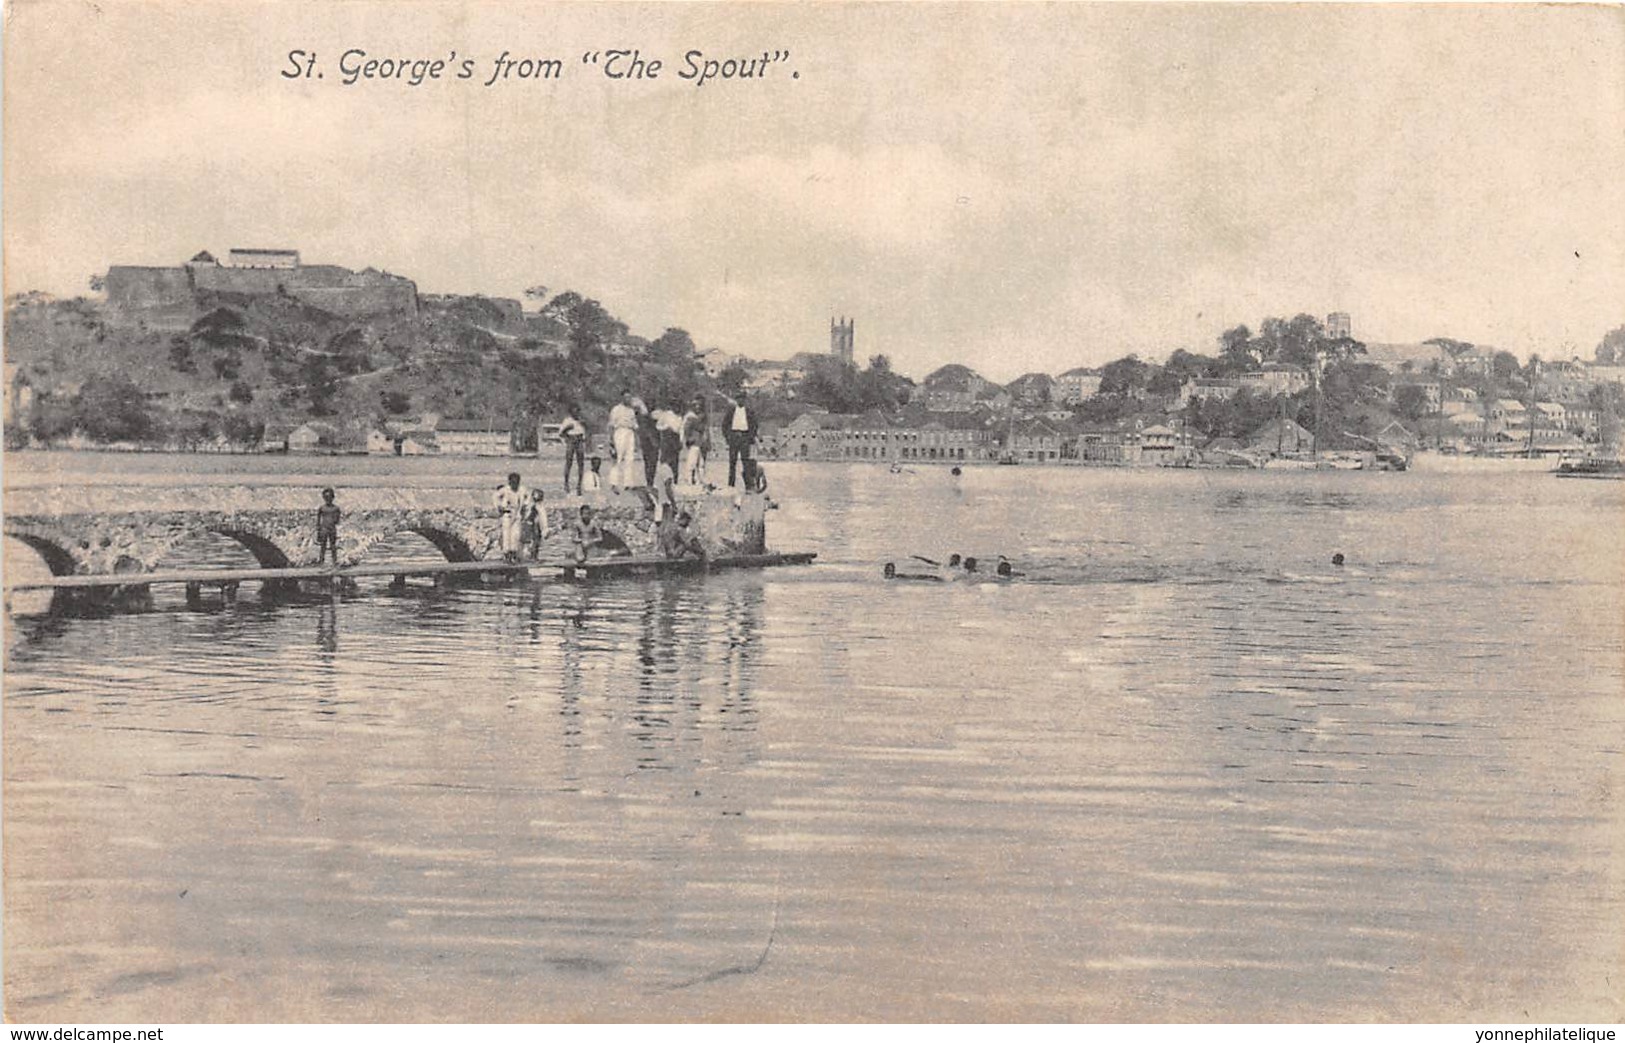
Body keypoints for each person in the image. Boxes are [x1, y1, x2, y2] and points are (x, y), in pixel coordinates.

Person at [493, 472, 530, 563]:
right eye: (513, 482)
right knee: (506, 534)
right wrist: (499, 507)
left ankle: (514, 553)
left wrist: (525, 505)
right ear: (509, 482)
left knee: (516, 534)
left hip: (517, 514)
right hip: (507, 514)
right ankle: (506, 554)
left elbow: (528, 496)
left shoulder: (522, 489)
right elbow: (495, 496)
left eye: (516, 482)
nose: (515, 484)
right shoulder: (505, 490)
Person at [723, 393, 758, 487]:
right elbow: (724, 425)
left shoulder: (749, 412)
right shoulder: (731, 411)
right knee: (732, 461)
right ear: (736, 400)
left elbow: (755, 425)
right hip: (734, 437)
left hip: (744, 437)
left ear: (745, 400)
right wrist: (728, 437)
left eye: (742, 399)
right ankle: (731, 484)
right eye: (738, 399)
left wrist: (750, 437)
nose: (740, 401)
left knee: (745, 462)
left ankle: (748, 485)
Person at [607, 391, 639, 494]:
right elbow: (611, 425)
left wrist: (636, 440)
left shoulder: (631, 411)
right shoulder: (616, 409)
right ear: (622, 398)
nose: (628, 399)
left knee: (630, 459)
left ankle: (628, 484)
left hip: (630, 433)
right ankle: (614, 483)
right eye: (626, 397)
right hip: (620, 432)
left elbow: (635, 425)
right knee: (618, 458)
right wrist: (611, 440)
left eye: (629, 397)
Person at [559, 403, 588, 495]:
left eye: (577, 411)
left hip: (579, 440)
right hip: (571, 440)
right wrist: (567, 430)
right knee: (569, 462)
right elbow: (561, 433)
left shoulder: (581, 421)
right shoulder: (567, 421)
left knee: (581, 464)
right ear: (571, 412)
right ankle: (566, 483)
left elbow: (586, 432)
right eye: (574, 411)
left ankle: (579, 485)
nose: (576, 413)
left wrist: (584, 434)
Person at [634, 396, 660, 489]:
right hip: (647, 440)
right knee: (649, 461)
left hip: (652, 440)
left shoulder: (654, 415)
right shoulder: (643, 415)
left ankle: (650, 481)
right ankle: (649, 481)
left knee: (652, 461)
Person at [683, 396, 709, 486]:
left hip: (701, 442)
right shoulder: (691, 417)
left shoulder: (701, 416)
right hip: (694, 442)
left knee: (701, 463)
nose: (697, 407)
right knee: (692, 462)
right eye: (695, 405)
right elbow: (686, 430)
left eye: (699, 405)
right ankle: (689, 480)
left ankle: (700, 480)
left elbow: (705, 429)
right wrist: (689, 439)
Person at [315, 487, 341, 567]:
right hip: (324, 528)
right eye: (326, 498)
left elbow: (337, 520)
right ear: (324, 498)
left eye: (329, 497)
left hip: (332, 528)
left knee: (333, 546)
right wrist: (318, 530)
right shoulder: (322, 508)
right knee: (323, 545)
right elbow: (318, 520)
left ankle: (334, 561)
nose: (328, 499)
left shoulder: (336, 508)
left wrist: (334, 520)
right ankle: (321, 561)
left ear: (333, 497)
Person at [521, 488, 549, 560]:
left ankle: (533, 556)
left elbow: (543, 520)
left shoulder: (538, 507)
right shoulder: (531, 506)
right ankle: (531, 556)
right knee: (530, 543)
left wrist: (544, 530)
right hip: (530, 527)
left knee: (534, 543)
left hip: (534, 527)